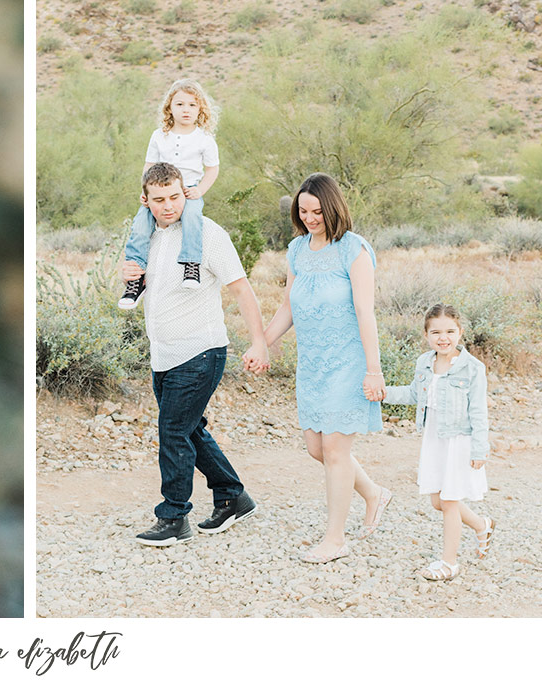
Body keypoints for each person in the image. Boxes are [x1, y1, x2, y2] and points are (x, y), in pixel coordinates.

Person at [122, 162, 269, 546]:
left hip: (200, 350)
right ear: (146, 200)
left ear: (184, 192)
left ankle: (173, 517)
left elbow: (242, 290)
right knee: (188, 429)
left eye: (175, 197)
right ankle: (233, 496)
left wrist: (259, 341)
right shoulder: (145, 239)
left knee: (172, 431)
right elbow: (147, 295)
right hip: (163, 355)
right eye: (159, 200)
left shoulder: (207, 235)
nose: (169, 206)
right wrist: (126, 278)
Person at [262, 172, 390, 563]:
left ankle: (335, 538)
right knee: (317, 448)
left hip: (349, 361)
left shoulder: (354, 249)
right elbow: (288, 307)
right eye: (303, 211)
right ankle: (373, 492)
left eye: (317, 210)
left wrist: (374, 369)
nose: (310, 217)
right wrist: (261, 343)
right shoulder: (297, 250)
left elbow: (365, 312)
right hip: (312, 364)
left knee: (335, 449)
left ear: (332, 207)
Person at [373, 304, 494, 581]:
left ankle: (449, 563)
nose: (444, 337)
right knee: (438, 501)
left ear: (460, 333)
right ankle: (481, 524)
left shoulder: (473, 368)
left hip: (459, 440)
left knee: (450, 501)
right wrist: (383, 393)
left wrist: (480, 448)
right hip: (434, 438)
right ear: (427, 335)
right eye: (436, 332)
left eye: (450, 331)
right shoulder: (424, 363)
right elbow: (414, 394)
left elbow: (478, 411)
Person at [119, 78, 220, 310]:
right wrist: (145, 191)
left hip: (188, 189)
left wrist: (200, 190)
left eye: (193, 105)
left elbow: (213, 169)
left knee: (193, 219)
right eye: (180, 104)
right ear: (170, 108)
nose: (186, 110)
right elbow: (149, 164)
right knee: (140, 224)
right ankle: (135, 279)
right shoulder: (159, 135)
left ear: (201, 109)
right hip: (158, 189)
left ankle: (191, 265)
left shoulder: (204, 138)